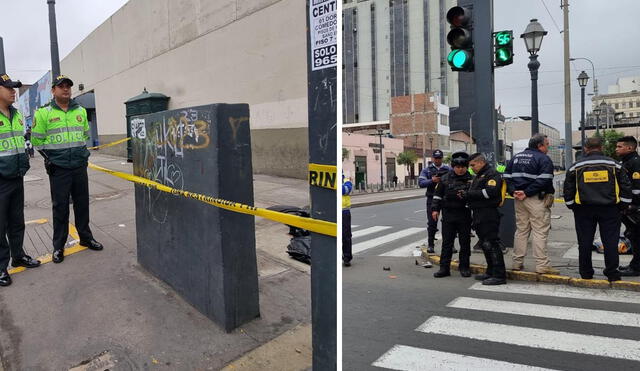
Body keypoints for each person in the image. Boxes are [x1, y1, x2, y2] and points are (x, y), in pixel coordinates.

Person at [31, 75, 103, 264]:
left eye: (68, 86)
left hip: (79, 165)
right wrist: (51, 160)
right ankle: (58, 247)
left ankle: (86, 238)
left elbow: (85, 136)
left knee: (82, 204)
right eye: (61, 86)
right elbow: (37, 141)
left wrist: (83, 156)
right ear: (53, 90)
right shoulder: (43, 113)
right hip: (59, 168)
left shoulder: (80, 110)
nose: (66, 89)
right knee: (60, 208)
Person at [564, 137, 632, 282]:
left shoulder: (575, 167)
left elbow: (568, 189)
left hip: (583, 210)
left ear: (585, 149)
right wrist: (622, 206)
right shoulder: (615, 165)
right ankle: (612, 273)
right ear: (601, 148)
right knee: (611, 242)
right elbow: (626, 187)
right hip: (610, 209)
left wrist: (571, 205)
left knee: (585, 242)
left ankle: (586, 272)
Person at [0, 74, 41, 286]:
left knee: (16, 222)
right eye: (8, 87)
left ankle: (18, 255)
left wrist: (23, 166)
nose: (13, 91)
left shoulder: (16, 114)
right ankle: (1, 267)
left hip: (16, 176)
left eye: (14, 87)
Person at [504, 134, 558, 274]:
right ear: (540, 146)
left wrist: (514, 192)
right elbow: (544, 179)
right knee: (540, 231)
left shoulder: (515, 158)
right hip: (536, 199)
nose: (548, 147)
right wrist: (527, 192)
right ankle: (542, 265)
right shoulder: (543, 159)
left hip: (519, 199)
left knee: (521, 231)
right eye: (547, 144)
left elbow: (507, 176)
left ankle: (517, 263)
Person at [466, 153, 507, 285]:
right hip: (479, 213)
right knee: (485, 244)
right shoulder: (480, 175)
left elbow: (491, 192)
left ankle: (499, 275)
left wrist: (469, 194)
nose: (471, 168)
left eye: (473, 165)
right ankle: (490, 271)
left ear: (481, 162)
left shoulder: (491, 174)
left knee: (492, 244)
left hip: (488, 214)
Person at [431, 152, 473, 278]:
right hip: (448, 215)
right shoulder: (444, 178)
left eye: (463, 167)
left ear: (466, 167)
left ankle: (464, 267)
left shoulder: (471, 179)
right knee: (447, 243)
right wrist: (435, 210)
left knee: (465, 243)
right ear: (453, 167)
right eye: (458, 167)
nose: (460, 169)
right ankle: (444, 268)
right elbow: (437, 196)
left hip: (464, 215)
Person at [615, 136, 640, 276]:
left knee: (637, 237)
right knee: (632, 235)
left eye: (619, 146)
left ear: (629, 147)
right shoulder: (626, 161)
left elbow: (637, 188)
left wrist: (632, 205)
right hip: (628, 208)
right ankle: (635, 264)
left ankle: (636, 268)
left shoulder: (635, 163)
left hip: (634, 208)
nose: (616, 149)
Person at [418, 149, 450, 253]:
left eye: (439, 158)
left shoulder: (448, 169)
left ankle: (450, 245)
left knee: (448, 223)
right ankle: (431, 245)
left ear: (442, 158)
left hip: (446, 198)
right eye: (436, 158)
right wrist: (432, 180)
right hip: (432, 198)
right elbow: (421, 183)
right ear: (433, 158)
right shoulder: (427, 170)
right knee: (432, 223)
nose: (437, 160)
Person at [342, 174, 353, 267]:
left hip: (344, 212)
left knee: (346, 236)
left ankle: (347, 257)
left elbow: (345, 190)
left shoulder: (346, 180)